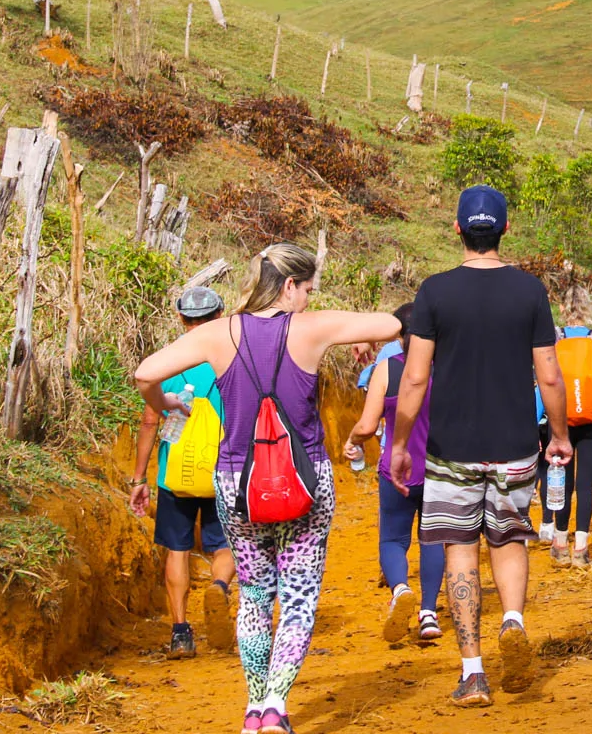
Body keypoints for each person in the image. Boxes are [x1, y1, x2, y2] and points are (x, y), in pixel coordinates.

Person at [134, 243, 400, 734]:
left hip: (236, 483)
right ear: (290, 287)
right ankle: (277, 705)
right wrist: (346, 333)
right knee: (298, 598)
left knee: (255, 594)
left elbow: (145, 373)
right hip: (305, 480)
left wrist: (167, 400)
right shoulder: (311, 328)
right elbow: (389, 325)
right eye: (307, 290)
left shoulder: (218, 333)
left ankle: (253, 709)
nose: (308, 298)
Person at [388, 185, 573, 709]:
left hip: (451, 448)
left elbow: (416, 379)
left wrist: (401, 442)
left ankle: (473, 673)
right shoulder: (530, 292)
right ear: (505, 230)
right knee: (510, 539)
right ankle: (512, 620)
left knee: (460, 548)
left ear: (458, 230)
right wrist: (558, 436)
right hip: (515, 444)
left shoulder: (434, 293)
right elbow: (551, 375)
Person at [127, 285, 236, 659]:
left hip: (175, 471)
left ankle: (180, 633)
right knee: (226, 544)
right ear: (219, 316)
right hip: (225, 468)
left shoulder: (166, 361)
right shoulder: (233, 359)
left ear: (181, 319)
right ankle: (219, 587)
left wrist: (140, 478)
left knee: (177, 549)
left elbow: (149, 421)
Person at [344, 303, 446, 644]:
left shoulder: (386, 368)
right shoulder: (445, 369)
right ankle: (429, 613)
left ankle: (401, 589)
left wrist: (352, 439)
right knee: (433, 539)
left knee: (392, 539)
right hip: (440, 468)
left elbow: (367, 424)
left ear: (398, 336)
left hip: (396, 470)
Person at [537, 286, 592, 568]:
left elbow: (544, 384)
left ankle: (560, 543)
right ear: (589, 310)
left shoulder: (552, 339)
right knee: (586, 484)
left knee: (563, 481)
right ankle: (582, 549)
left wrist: (536, 420)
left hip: (560, 421)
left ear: (563, 309)